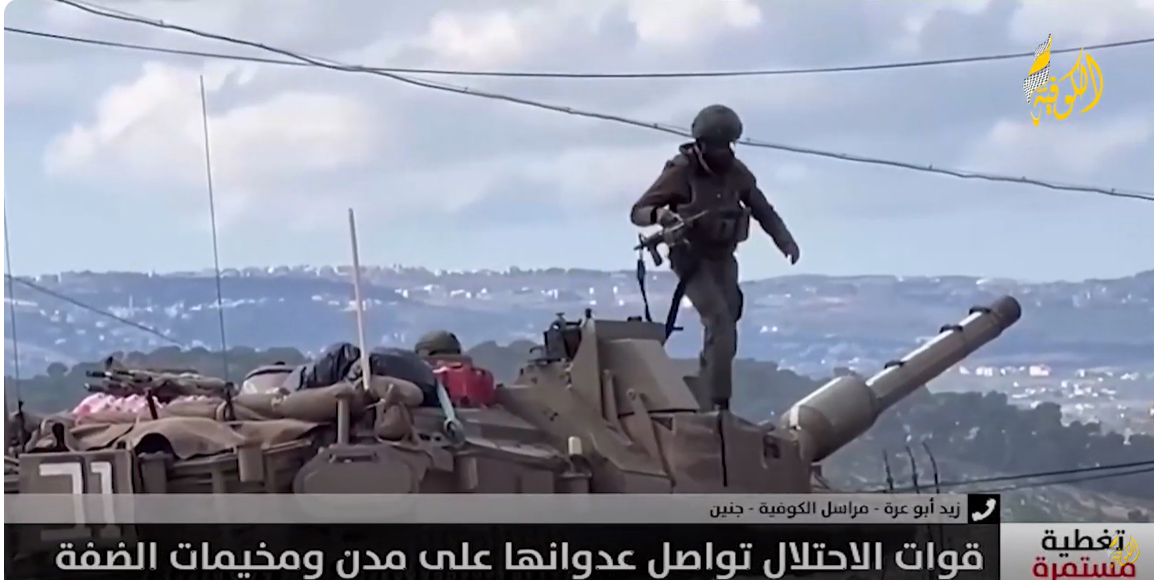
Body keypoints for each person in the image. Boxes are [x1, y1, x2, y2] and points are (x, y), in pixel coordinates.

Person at [629, 104, 800, 411]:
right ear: (701, 145)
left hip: (724, 257)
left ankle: (706, 389)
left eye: (727, 145)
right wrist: (661, 215)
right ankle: (719, 403)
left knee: (728, 322)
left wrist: (785, 241)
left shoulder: (737, 173)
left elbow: (763, 209)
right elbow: (638, 211)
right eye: (716, 146)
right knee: (719, 320)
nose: (723, 153)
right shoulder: (681, 171)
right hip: (691, 257)